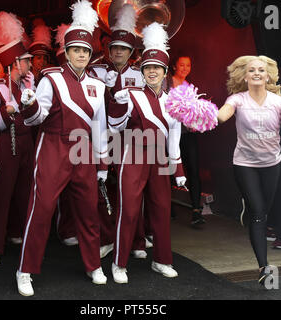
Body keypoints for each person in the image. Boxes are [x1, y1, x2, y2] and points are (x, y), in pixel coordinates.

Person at [16, 0, 108, 296]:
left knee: (88, 211)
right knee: (41, 210)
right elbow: (37, 116)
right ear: (66, 53)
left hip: (84, 151)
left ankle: (94, 265)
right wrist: (27, 105)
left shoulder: (98, 85)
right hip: (53, 147)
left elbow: (100, 126)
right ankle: (25, 270)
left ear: (90, 54)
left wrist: (103, 163)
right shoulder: (51, 78)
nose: (81, 54)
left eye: (85, 50)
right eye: (76, 50)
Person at [108, 22, 186, 284]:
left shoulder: (173, 101)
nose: (152, 72)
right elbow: (114, 126)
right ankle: (119, 263)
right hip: (132, 154)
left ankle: (162, 260)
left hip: (160, 159)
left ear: (165, 72)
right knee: (129, 210)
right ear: (142, 71)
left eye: (157, 68)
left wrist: (179, 169)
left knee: (162, 209)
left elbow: (173, 136)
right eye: (148, 68)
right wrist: (116, 107)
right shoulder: (130, 94)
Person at [216, 55, 281, 285]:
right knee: (257, 212)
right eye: (252, 70)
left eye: (261, 70)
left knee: (263, 211)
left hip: (271, 165)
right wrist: (204, 113)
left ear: (268, 76)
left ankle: (253, 207)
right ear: (245, 76)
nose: (257, 73)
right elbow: (221, 115)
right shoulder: (237, 99)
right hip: (245, 164)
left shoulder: (279, 103)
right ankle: (264, 267)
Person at [88, 3, 147, 260]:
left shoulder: (140, 74)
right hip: (102, 138)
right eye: (115, 48)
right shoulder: (96, 70)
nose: (119, 52)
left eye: (124, 48)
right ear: (109, 49)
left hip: (131, 140)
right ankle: (107, 237)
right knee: (101, 188)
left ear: (131, 51)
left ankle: (137, 239)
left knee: (132, 192)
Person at [0, 12, 35, 266]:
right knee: (0, 196)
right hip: (4, 144)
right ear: (14, 63)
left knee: (25, 194)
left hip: (26, 144)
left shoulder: (27, 85)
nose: (30, 64)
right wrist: (6, 111)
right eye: (25, 61)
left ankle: (18, 235)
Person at [165, 54, 206, 227]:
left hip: (188, 134)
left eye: (188, 65)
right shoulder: (166, 82)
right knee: (167, 171)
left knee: (193, 170)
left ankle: (196, 210)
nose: (184, 68)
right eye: (181, 65)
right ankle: (167, 208)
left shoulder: (191, 86)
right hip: (169, 133)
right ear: (174, 66)